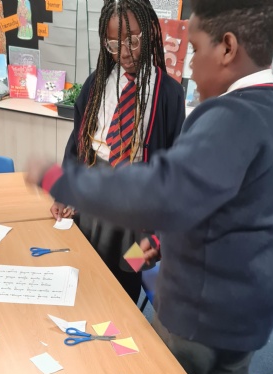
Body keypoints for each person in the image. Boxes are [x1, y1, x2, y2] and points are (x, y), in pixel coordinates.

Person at [30, 0, 273, 374]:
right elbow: (212, 196)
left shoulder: (230, 116)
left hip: (203, 299)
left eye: (195, 49)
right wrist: (155, 241)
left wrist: (59, 181)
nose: (190, 64)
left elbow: (165, 190)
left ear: (227, 48)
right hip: (250, 295)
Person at [49, 0, 186, 303]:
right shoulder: (96, 84)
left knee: (126, 280)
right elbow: (77, 145)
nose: (124, 52)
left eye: (132, 40)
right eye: (113, 44)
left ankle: (121, 320)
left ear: (151, 32)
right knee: (83, 271)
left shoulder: (168, 94)